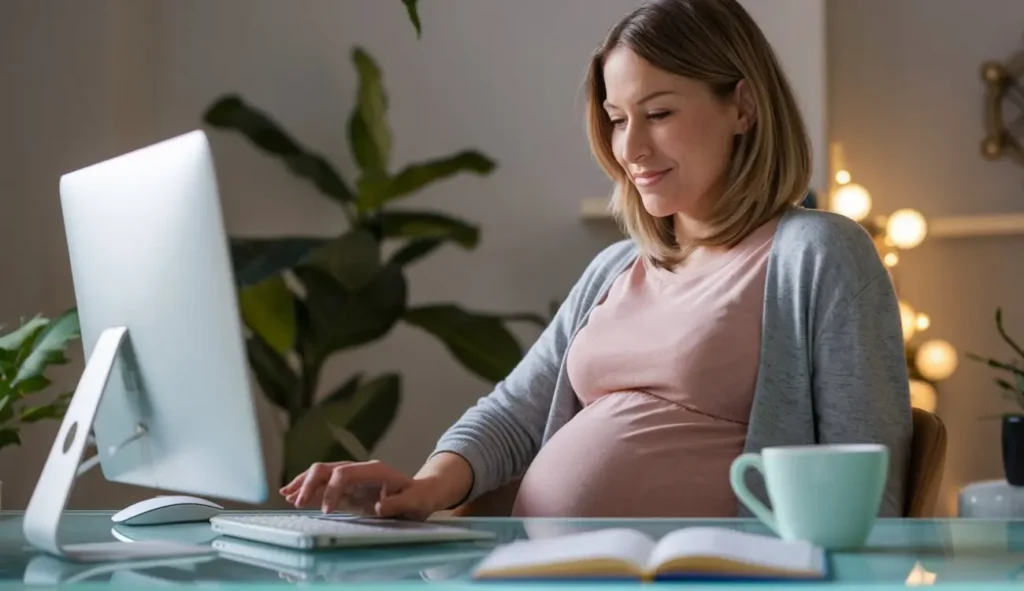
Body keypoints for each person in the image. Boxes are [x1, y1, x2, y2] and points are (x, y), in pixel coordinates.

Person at [280, 0, 913, 520]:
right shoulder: (615, 269)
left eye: (659, 113)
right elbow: (514, 413)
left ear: (743, 108)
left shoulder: (818, 254)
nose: (630, 147)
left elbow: (871, 493)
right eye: (615, 119)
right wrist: (422, 488)